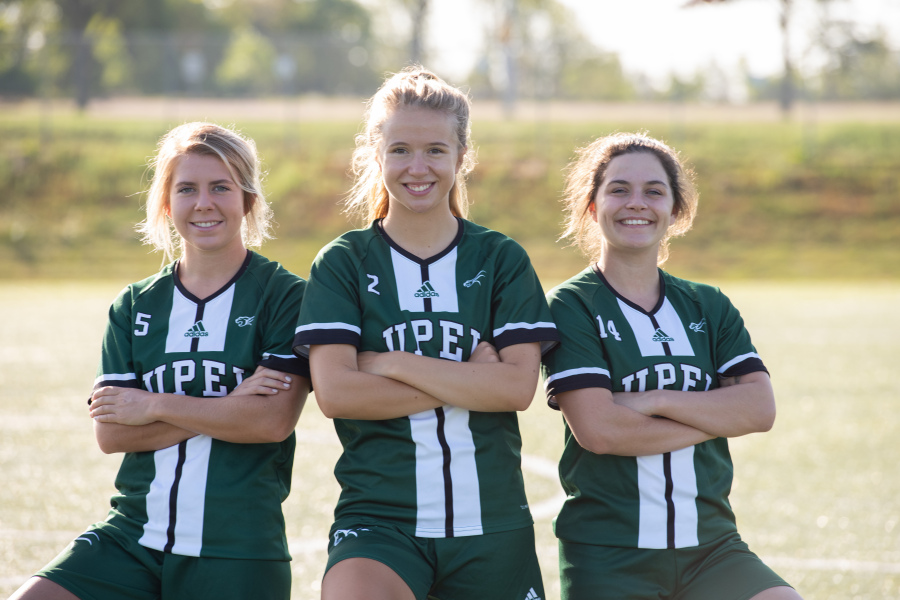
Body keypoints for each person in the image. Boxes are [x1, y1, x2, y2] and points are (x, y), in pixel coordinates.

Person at [10, 122, 310, 600]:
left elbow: (271, 420)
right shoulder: (134, 305)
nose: (203, 203)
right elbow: (111, 434)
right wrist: (229, 407)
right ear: (166, 203)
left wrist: (151, 405)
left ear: (247, 200)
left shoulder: (285, 296)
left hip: (236, 543)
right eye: (187, 188)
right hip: (132, 534)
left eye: (221, 187)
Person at [293, 66, 559, 600]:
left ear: (462, 157)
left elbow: (514, 389)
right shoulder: (344, 263)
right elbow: (338, 393)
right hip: (381, 521)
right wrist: (470, 378)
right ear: (376, 154)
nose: (419, 167)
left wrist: (391, 362)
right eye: (400, 150)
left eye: (436, 150)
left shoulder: (500, 258)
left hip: (492, 520)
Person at [541, 132, 802, 600]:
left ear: (676, 210)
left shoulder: (708, 305)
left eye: (654, 191)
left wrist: (655, 400)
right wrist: (716, 416)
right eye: (618, 189)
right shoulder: (571, 305)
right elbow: (601, 432)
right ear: (591, 205)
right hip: (609, 553)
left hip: (712, 547)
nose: (635, 203)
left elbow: (759, 410)